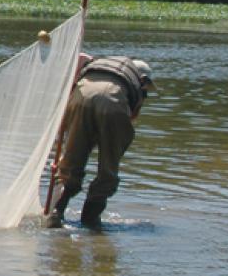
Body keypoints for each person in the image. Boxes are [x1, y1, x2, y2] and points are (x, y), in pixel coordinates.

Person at [49, 55, 155, 228]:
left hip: (80, 96)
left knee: (71, 163)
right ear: (143, 79)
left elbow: (70, 97)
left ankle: (56, 212)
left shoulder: (98, 66)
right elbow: (131, 118)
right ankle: (90, 220)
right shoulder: (137, 83)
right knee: (108, 168)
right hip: (113, 103)